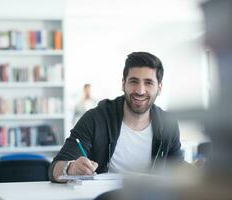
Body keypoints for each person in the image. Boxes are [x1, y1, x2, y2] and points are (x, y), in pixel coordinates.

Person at [49, 52, 184, 182]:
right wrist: (71, 168)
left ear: (159, 88)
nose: (140, 91)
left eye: (148, 82)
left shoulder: (168, 125)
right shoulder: (95, 119)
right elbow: (54, 169)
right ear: (123, 84)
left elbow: (179, 171)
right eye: (133, 81)